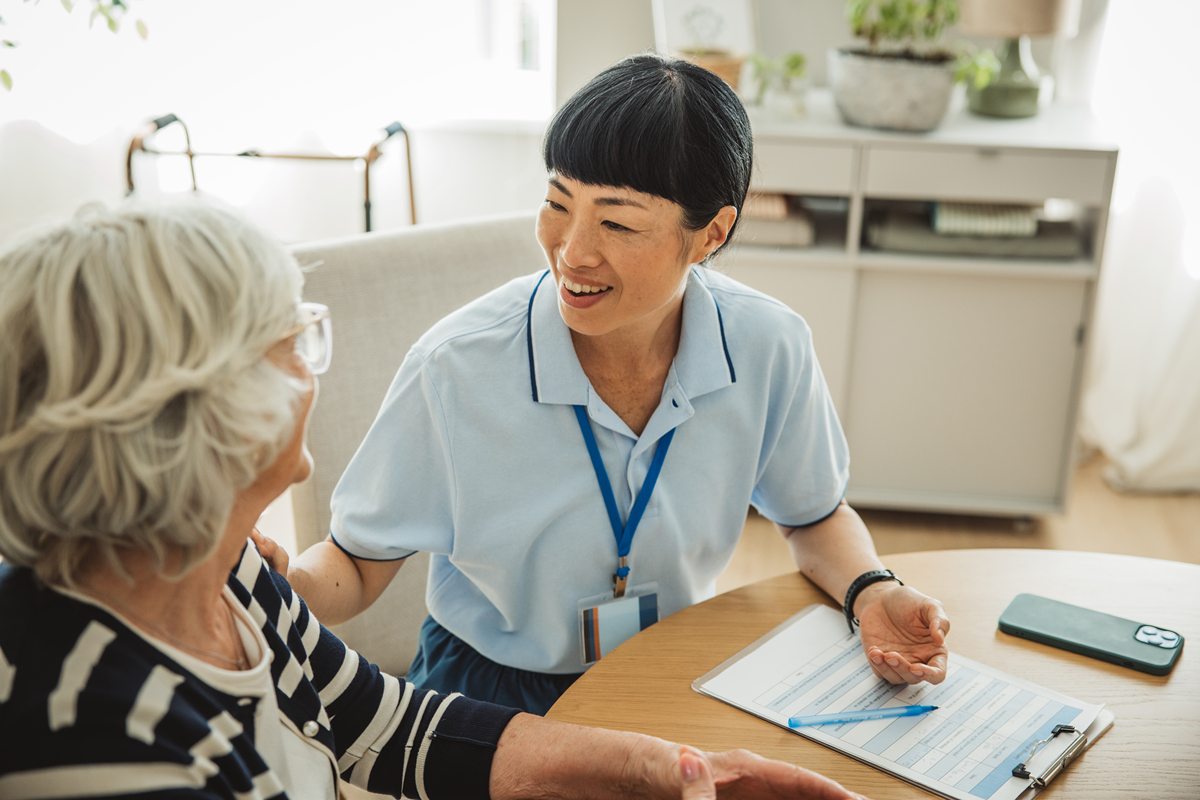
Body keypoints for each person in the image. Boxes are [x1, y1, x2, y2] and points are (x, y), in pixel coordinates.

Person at [0, 202, 869, 800]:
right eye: (292, 339)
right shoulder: (95, 742)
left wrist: (672, 771)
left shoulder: (224, 572)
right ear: (191, 415)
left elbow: (381, 724)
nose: (310, 365)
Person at [286, 53, 951, 717]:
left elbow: (813, 515)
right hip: (490, 694)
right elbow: (358, 563)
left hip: (671, 672)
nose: (572, 251)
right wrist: (280, 583)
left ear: (710, 235)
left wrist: (872, 590)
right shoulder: (454, 369)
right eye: (557, 203)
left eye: (617, 222)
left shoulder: (769, 346)